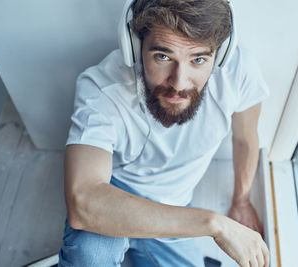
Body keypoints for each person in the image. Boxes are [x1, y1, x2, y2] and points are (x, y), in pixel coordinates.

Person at [58, 0, 270, 266]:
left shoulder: (238, 73)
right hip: (113, 195)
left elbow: (245, 138)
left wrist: (241, 200)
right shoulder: (101, 90)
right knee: (90, 257)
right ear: (134, 47)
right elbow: (84, 201)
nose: (179, 83)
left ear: (222, 54)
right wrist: (214, 224)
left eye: (198, 59)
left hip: (176, 206)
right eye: (163, 57)